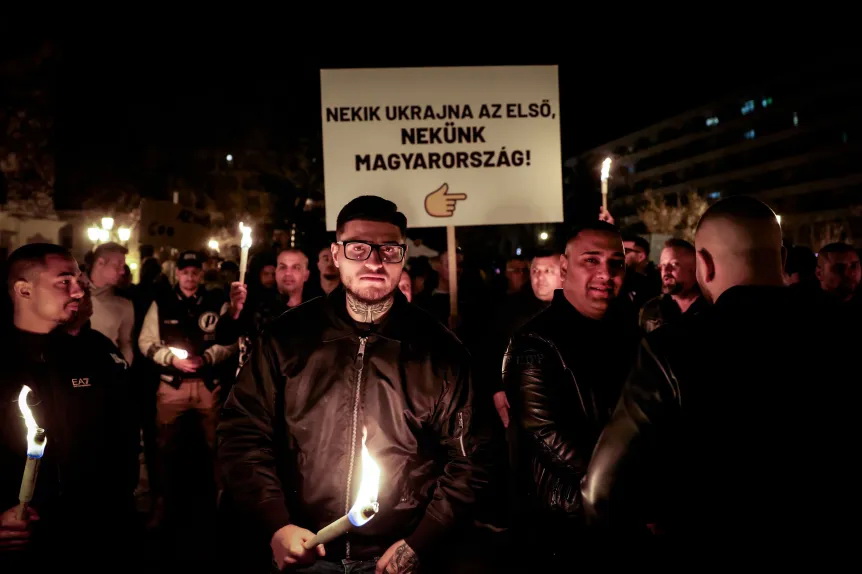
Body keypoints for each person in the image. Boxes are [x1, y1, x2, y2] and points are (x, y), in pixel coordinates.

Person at [218, 195, 487, 573]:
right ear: (336, 254)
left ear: (403, 256)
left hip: (396, 552)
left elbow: (471, 458)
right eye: (358, 248)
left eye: (389, 249)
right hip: (305, 547)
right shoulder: (287, 338)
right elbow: (243, 433)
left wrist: (421, 541)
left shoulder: (440, 351)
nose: (374, 262)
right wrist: (276, 522)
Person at [581, 196, 855, 564]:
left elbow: (601, 492)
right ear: (782, 257)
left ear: (705, 264)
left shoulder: (672, 348)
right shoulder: (845, 329)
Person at [0, 243, 139, 571]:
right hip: (23, 536)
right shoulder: (5, 358)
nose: (79, 290)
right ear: (24, 290)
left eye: (79, 280)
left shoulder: (94, 352)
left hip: (95, 533)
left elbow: (123, 437)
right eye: (64, 281)